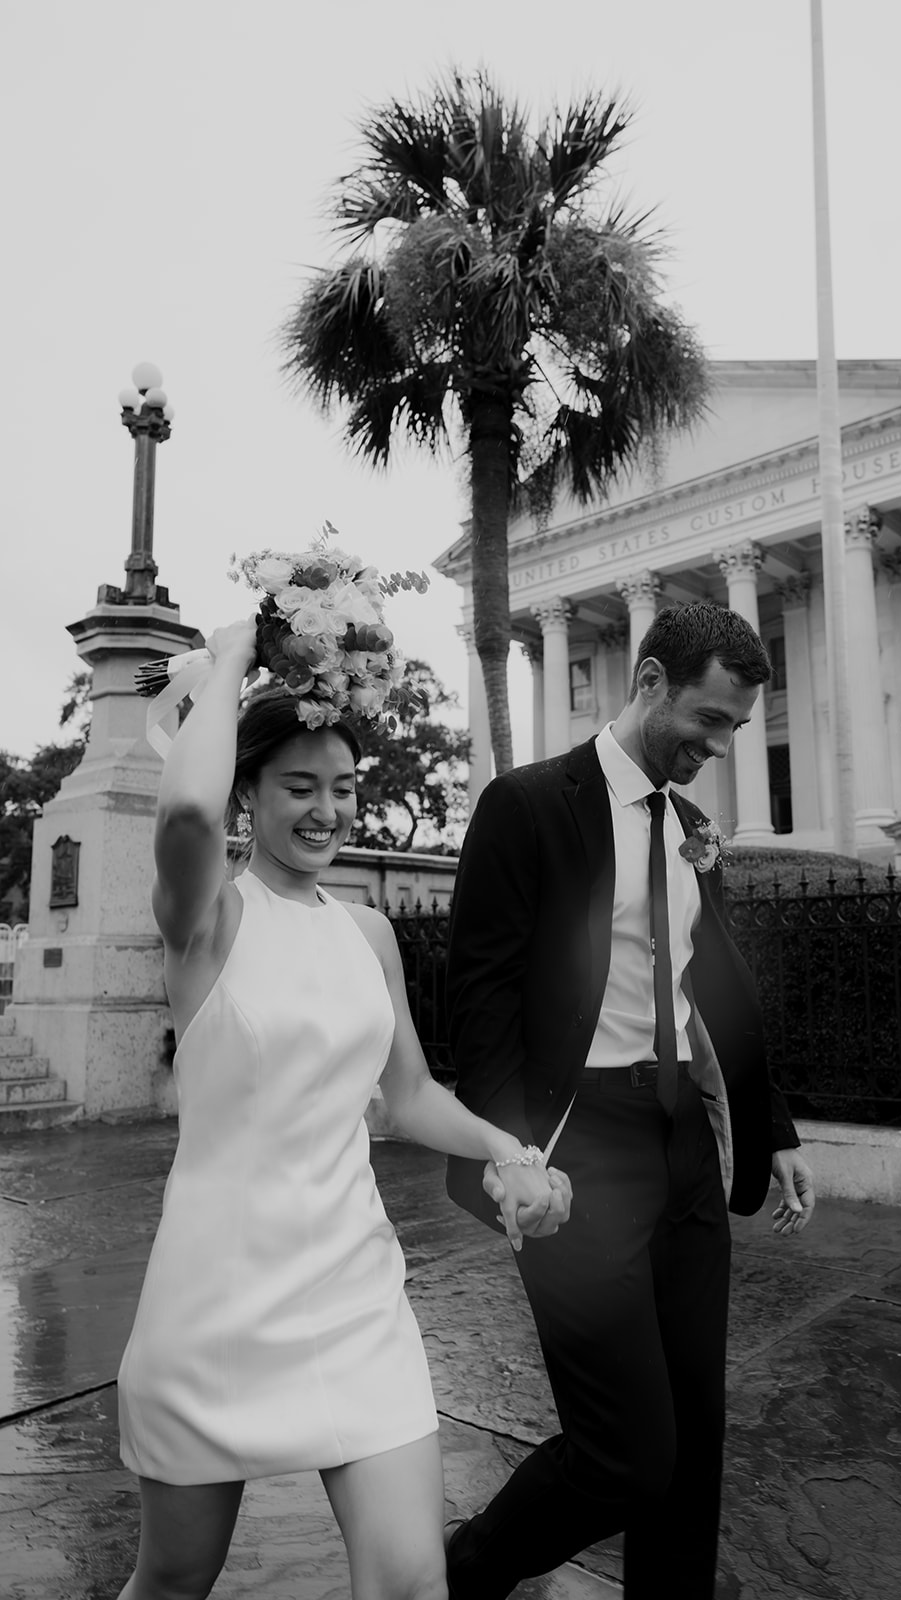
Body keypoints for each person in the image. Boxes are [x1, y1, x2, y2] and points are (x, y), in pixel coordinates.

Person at [115, 618, 571, 1600]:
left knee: (411, 1581)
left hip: (356, 1293)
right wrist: (227, 661)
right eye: (297, 786)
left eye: (343, 787)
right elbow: (184, 824)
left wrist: (505, 1147)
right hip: (216, 1302)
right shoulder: (209, 920)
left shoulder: (367, 933)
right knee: (174, 1579)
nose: (326, 811)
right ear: (247, 793)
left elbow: (405, 1094)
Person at [443, 600, 816, 1598]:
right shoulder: (528, 805)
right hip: (576, 1150)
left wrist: (768, 1127)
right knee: (623, 1450)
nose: (719, 745)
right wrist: (505, 1151)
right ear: (648, 682)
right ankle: (460, 1572)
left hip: (680, 1144)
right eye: (708, 719)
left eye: (734, 726)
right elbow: (476, 998)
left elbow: (714, 980)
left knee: (692, 1433)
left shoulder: (688, 826)